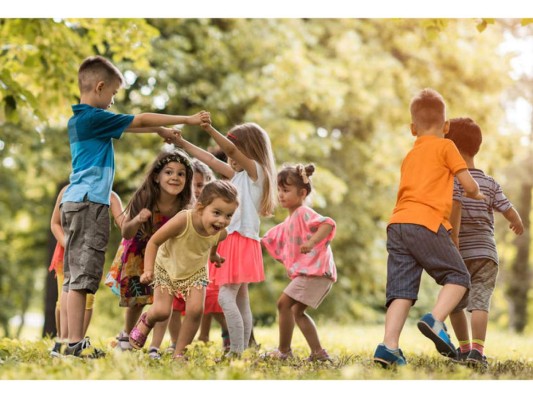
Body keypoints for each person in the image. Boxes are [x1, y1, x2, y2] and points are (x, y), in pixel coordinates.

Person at [60, 55, 209, 358]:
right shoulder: (93, 117)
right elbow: (138, 119)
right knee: (84, 277)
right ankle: (74, 344)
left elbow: (134, 126)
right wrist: (188, 120)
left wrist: (158, 132)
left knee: (75, 276)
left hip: (76, 201)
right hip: (90, 204)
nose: (114, 101)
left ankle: (68, 341)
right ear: (99, 87)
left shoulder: (80, 120)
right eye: (113, 94)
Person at [372, 88, 485, 368]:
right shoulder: (447, 146)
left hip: (398, 224)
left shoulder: (410, 155)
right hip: (427, 222)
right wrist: (477, 193)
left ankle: (388, 347)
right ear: (446, 127)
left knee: (401, 290)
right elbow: (468, 184)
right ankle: (436, 320)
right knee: (459, 277)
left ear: (413, 129)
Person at [175, 121, 277, 357]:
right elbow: (211, 160)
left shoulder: (256, 173)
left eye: (236, 149)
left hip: (239, 241)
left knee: (225, 296)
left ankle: (236, 351)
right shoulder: (238, 176)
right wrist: (181, 143)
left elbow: (230, 151)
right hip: (236, 241)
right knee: (241, 300)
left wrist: (209, 129)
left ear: (249, 150)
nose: (230, 156)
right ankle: (243, 350)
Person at [128, 180, 240, 360]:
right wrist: (148, 270)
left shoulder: (221, 232)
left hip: (195, 272)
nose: (222, 220)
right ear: (200, 208)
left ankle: (179, 353)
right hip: (167, 267)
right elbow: (154, 241)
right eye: (217, 213)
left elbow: (214, 241)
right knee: (163, 311)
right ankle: (147, 319)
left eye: (228, 215)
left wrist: (213, 256)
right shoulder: (183, 219)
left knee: (196, 310)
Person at [446, 117, 524, 367]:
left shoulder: (451, 180)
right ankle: (477, 352)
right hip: (486, 254)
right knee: (480, 302)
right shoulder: (489, 182)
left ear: (451, 148)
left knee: (454, 304)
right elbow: (507, 208)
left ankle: (464, 349)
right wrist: (517, 221)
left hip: (458, 253)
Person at [111, 149, 195, 360]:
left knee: (162, 300)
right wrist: (138, 219)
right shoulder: (145, 196)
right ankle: (127, 336)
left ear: (187, 179)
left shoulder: (185, 206)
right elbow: (126, 231)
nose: (175, 177)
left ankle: (155, 347)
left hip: (166, 256)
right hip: (138, 252)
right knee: (137, 299)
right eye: (169, 172)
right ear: (157, 176)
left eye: (181, 174)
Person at [262, 164, 336, 362]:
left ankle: (283, 351)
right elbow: (270, 238)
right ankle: (318, 353)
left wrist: (311, 242)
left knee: (283, 304)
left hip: (315, 272)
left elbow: (327, 224)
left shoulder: (303, 212)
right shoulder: (290, 220)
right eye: (279, 190)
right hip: (316, 274)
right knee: (296, 311)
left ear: (302, 192)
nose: (280, 194)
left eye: (285, 190)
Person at [164, 159, 231, 353]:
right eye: (194, 185)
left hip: (199, 266)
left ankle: (222, 333)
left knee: (207, 303)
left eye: (201, 185)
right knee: (174, 306)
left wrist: (214, 254)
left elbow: (218, 234)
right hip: (175, 264)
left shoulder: (212, 211)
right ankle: (176, 342)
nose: (197, 190)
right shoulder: (180, 208)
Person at [49, 185, 124, 357]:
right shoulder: (67, 191)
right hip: (65, 254)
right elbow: (55, 224)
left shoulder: (109, 195)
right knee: (63, 299)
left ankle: (77, 342)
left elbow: (123, 222)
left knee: (87, 299)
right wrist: (69, 245)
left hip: (89, 255)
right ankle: (62, 341)